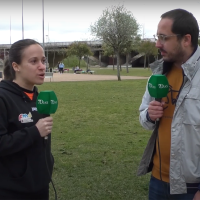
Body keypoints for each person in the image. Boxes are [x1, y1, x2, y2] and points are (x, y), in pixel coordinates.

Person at [138, 9, 200, 200]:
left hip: (191, 187)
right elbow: (143, 117)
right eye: (158, 37)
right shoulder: (158, 73)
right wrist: (149, 114)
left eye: (164, 38)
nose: (157, 44)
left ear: (186, 39)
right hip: (157, 181)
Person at [0, 39, 54, 200]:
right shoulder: (3, 98)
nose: (42, 66)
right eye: (34, 61)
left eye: (43, 61)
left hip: (40, 185)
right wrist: (34, 132)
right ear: (16, 66)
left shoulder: (40, 97)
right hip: (11, 190)